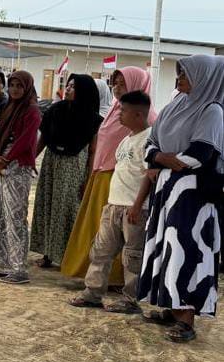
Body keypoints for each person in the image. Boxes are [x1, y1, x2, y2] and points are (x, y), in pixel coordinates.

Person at [137, 55, 223, 342]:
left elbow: (201, 154)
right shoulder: (175, 105)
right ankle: (170, 306)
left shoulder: (212, 111)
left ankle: (186, 320)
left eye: (184, 73)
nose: (179, 79)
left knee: (187, 251)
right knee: (165, 248)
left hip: (193, 196)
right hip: (167, 189)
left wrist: (163, 160)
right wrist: (161, 158)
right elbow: (150, 145)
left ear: (204, 77)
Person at [60, 67, 155, 279]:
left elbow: (148, 165)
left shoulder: (147, 118)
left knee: (127, 240)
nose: (117, 88)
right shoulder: (116, 111)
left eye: (122, 83)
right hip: (105, 180)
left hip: (126, 186)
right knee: (102, 236)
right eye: (115, 83)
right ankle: (93, 280)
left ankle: (119, 281)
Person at [69, 91, 153, 312]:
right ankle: (93, 293)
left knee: (133, 256)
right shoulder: (126, 139)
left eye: (123, 111)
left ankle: (131, 299)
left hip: (134, 208)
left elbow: (148, 176)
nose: (119, 115)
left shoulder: (149, 139)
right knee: (101, 251)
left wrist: (137, 206)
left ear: (138, 114)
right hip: (114, 205)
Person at [30, 74, 103, 267]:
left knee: (67, 209)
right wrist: (31, 160)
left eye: (73, 86)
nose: (68, 89)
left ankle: (66, 256)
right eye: (68, 85)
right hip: (51, 163)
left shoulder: (93, 119)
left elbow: (93, 151)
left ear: (84, 91)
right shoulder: (55, 110)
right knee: (47, 205)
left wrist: (88, 178)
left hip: (73, 166)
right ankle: (47, 253)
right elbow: (44, 138)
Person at [0, 71, 41, 284]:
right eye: (12, 85)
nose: (14, 89)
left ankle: (19, 268)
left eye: (19, 86)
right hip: (0, 167)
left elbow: (25, 141)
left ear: (27, 88)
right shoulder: (7, 108)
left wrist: (6, 158)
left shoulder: (32, 111)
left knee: (15, 219)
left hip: (17, 169)